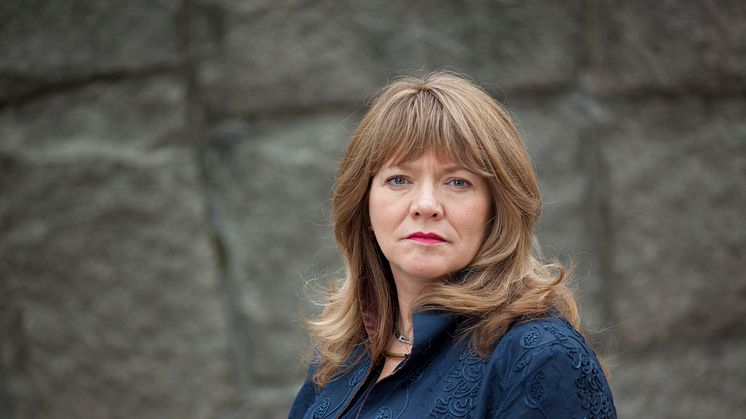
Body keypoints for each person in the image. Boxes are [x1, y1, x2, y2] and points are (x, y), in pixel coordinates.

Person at [289, 72, 616, 418]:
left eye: (458, 182)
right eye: (399, 179)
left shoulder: (541, 358)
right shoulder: (342, 353)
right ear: (365, 206)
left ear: (497, 208)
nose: (426, 204)